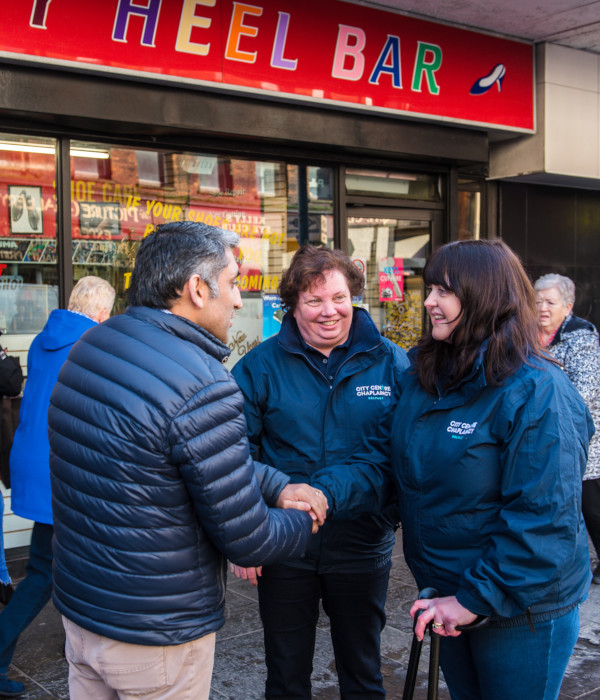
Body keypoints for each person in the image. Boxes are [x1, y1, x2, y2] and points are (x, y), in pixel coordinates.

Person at [48, 222, 327, 700]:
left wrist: (275, 483)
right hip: (157, 636)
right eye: (234, 281)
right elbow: (249, 539)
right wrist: (310, 517)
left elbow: (168, 456)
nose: (240, 300)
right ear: (197, 289)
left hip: (84, 615)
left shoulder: (92, 347)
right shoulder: (202, 385)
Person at [388, 240, 592, 700]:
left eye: (442, 291)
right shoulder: (423, 376)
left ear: (484, 297)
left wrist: (472, 600)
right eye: (429, 289)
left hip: (521, 610)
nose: (428, 303)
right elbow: (396, 474)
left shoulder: (539, 390)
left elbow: (545, 521)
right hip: (448, 594)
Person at [231, 245, 409, 699]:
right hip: (284, 541)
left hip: (363, 540)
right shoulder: (258, 367)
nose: (329, 311)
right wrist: (243, 537)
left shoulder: (392, 362)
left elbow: (402, 455)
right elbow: (232, 458)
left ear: (354, 297)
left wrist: (336, 497)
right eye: (314, 301)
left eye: (339, 298)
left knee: (363, 670)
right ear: (292, 306)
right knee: (286, 673)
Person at [0, 276, 115, 697]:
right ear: (101, 311)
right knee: (45, 574)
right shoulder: (93, 344)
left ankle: (82, 646)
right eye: (108, 312)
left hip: (34, 463)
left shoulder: (41, 340)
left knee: (56, 566)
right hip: (64, 470)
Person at [534, 273, 600, 585]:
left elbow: (582, 393)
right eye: (537, 301)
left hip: (581, 442)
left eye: (550, 302)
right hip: (542, 438)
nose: (542, 308)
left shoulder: (583, 339)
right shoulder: (527, 335)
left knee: (592, 510)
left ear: (568, 306)